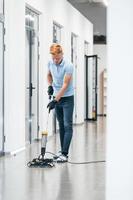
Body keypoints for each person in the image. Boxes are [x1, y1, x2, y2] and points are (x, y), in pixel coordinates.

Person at [47, 43, 74, 163]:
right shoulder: (50, 62)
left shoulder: (68, 65)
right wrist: (50, 86)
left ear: (62, 54)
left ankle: (65, 154)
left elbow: (65, 85)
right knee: (61, 125)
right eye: (53, 58)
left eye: (57, 58)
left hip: (67, 98)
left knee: (67, 125)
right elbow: (48, 75)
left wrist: (55, 100)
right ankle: (62, 150)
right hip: (56, 97)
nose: (55, 61)